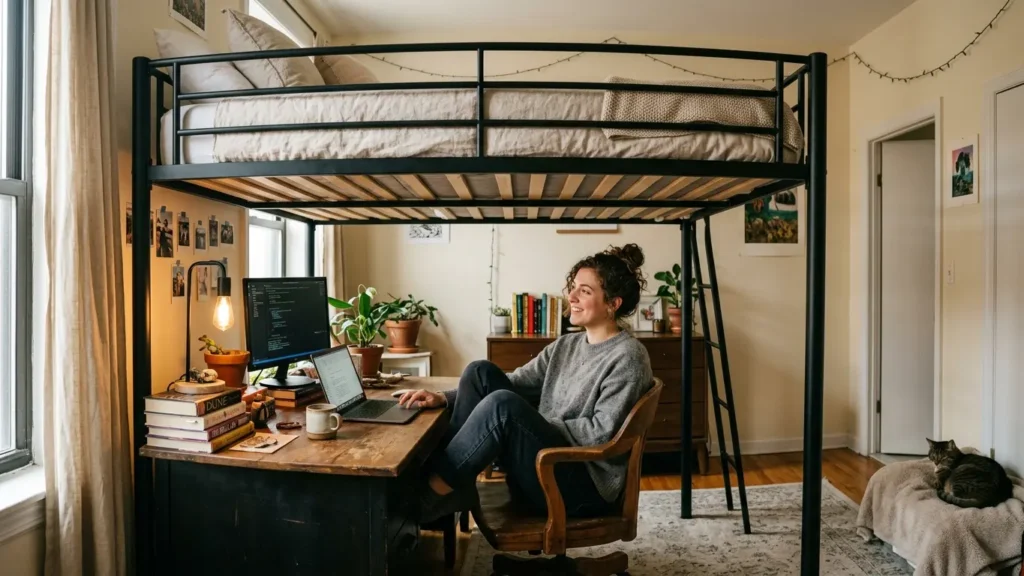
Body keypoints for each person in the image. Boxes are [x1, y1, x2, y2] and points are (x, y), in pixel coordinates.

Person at [398, 243, 655, 524]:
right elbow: (515, 382)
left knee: (503, 406)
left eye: (585, 291)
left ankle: (427, 496)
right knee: (479, 371)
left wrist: (536, 422)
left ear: (612, 304)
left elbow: (601, 433)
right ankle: (452, 486)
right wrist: (444, 398)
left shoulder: (628, 357)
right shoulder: (567, 345)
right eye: (574, 286)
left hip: (580, 483)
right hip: (546, 460)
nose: (571, 296)